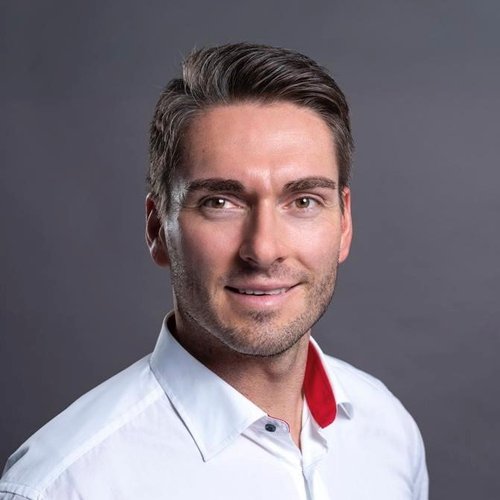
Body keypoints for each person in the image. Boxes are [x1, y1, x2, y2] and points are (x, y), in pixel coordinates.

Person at [0, 43, 428, 500]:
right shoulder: (64, 486)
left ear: (343, 223)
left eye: (303, 201)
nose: (263, 250)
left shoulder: (388, 430)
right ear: (157, 228)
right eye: (220, 202)